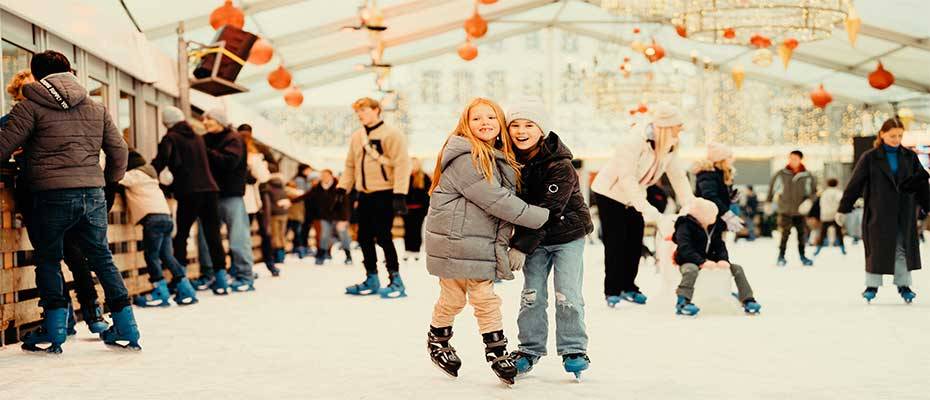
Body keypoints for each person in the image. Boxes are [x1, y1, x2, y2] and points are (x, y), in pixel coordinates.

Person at [0, 50, 140, 352]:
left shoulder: (30, 107)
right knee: (101, 257)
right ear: (69, 72)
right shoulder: (96, 108)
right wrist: (108, 180)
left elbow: (3, 146)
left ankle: (54, 330)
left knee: (49, 258)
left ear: (37, 75)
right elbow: (120, 151)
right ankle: (127, 326)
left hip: (49, 194)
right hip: (92, 193)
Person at [424, 98, 548, 384]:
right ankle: (445, 342)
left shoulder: (493, 154)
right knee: (457, 297)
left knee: (480, 298)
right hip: (456, 241)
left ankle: (493, 351)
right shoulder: (468, 157)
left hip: (473, 241)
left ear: (500, 124)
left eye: (491, 118)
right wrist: (540, 216)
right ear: (466, 124)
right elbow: (497, 200)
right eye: (477, 118)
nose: (485, 123)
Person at [4, 68, 110, 336]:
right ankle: (65, 318)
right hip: (40, 190)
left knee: (69, 254)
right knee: (52, 255)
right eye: (22, 92)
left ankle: (87, 311)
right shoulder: (20, 115)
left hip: (51, 191)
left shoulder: (51, 113)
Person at [503, 98, 594, 380]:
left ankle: (574, 349)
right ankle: (529, 349)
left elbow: (547, 211)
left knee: (566, 293)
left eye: (528, 124)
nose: (521, 130)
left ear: (541, 130)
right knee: (532, 295)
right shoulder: (508, 160)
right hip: (535, 240)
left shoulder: (559, 165)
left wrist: (520, 246)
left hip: (567, 234)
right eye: (515, 125)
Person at [590, 103, 695, 307]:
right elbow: (626, 178)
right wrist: (648, 209)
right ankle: (612, 289)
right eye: (677, 129)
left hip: (634, 194)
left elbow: (677, 175)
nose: (679, 134)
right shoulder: (634, 140)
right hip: (610, 192)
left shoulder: (669, 146)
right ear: (667, 127)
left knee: (635, 239)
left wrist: (691, 203)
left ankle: (629, 286)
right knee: (616, 241)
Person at [837, 118, 929, 303]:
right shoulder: (870, 157)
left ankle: (904, 285)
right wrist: (843, 208)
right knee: (876, 249)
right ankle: (872, 285)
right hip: (878, 212)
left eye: (900, 136)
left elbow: (921, 185)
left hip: (904, 211)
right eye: (892, 135)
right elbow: (855, 184)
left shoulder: (909, 157)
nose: (896, 139)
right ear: (882, 134)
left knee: (902, 248)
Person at [337, 97, 411, 298]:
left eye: (364, 110)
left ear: (377, 110)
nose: (360, 114)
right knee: (363, 238)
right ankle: (371, 277)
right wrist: (342, 188)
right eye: (358, 111)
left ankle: (396, 280)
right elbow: (350, 165)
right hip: (365, 195)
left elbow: (402, 164)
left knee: (384, 237)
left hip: (385, 193)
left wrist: (400, 194)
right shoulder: (357, 137)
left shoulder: (392, 134)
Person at [152, 107, 229, 296]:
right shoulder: (198, 137)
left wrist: (145, 175)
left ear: (167, 123)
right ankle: (221, 280)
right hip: (210, 190)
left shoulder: (171, 138)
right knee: (213, 236)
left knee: (182, 236)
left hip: (189, 191)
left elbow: (159, 163)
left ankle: (181, 280)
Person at [120, 150, 198, 307]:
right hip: (166, 218)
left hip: (152, 220)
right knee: (167, 256)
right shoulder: (152, 178)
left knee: (152, 256)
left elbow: (116, 178)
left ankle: (160, 292)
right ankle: (186, 289)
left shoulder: (135, 175)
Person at [672, 198, 761, 316]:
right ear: (701, 214)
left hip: (710, 260)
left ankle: (747, 299)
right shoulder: (684, 226)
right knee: (691, 270)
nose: (715, 218)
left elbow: (720, 246)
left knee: (737, 268)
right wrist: (701, 262)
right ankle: (683, 301)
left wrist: (723, 259)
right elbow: (685, 249)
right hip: (688, 260)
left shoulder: (713, 227)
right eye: (711, 215)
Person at [202, 108, 255, 292]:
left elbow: (229, 162)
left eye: (209, 119)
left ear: (220, 121)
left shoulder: (234, 139)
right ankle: (210, 274)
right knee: (207, 237)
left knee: (238, 237)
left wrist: (206, 152)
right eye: (205, 119)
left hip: (231, 195)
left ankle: (244, 275)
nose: (206, 122)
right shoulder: (205, 139)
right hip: (210, 194)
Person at [240, 124, 280, 276]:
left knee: (265, 230)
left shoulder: (259, 148)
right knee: (244, 230)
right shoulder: (235, 145)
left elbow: (274, 166)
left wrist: (260, 164)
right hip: (245, 193)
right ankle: (245, 265)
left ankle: (270, 263)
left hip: (261, 192)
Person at [768, 150, 817, 267]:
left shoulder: (807, 175)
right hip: (785, 209)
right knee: (784, 234)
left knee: (802, 234)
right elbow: (772, 188)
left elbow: (813, 192)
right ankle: (781, 256)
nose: (792, 161)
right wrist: (768, 202)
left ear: (800, 159)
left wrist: (809, 201)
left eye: (795, 158)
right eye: (790, 158)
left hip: (800, 210)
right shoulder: (781, 174)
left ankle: (803, 256)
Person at [693, 142, 743, 232]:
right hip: (706, 224)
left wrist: (730, 198)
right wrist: (727, 214)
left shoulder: (721, 174)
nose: (733, 159)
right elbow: (710, 196)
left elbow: (717, 195)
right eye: (729, 156)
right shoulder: (708, 175)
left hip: (716, 223)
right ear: (720, 159)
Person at [307, 169, 352, 265]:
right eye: (322, 176)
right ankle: (321, 255)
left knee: (343, 236)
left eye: (326, 175)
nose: (324, 178)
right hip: (325, 217)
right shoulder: (318, 188)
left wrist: (345, 220)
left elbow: (346, 204)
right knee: (324, 235)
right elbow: (306, 195)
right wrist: (291, 201)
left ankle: (348, 256)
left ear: (331, 176)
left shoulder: (339, 187)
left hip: (339, 217)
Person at [261, 162, 292, 264]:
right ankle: (282, 255)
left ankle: (278, 257)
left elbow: (268, 203)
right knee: (282, 234)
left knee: (275, 236)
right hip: (284, 213)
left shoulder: (268, 185)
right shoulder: (281, 184)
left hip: (274, 214)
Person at [403, 158, 431, 262]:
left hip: (419, 210)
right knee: (407, 230)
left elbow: (427, 194)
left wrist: (425, 208)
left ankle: (416, 250)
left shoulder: (424, 177)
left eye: (414, 164)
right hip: (407, 209)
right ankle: (407, 250)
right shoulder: (406, 176)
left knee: (416, 229)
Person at [814, 178, 846, 256]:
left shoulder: (824, 193)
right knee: (839, 233)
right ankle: (842, 249)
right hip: (835, 215)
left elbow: (821, 204)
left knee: (823, 233)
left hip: (825, 215)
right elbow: (842, 201)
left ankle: (818, 249)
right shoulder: (838, 192)